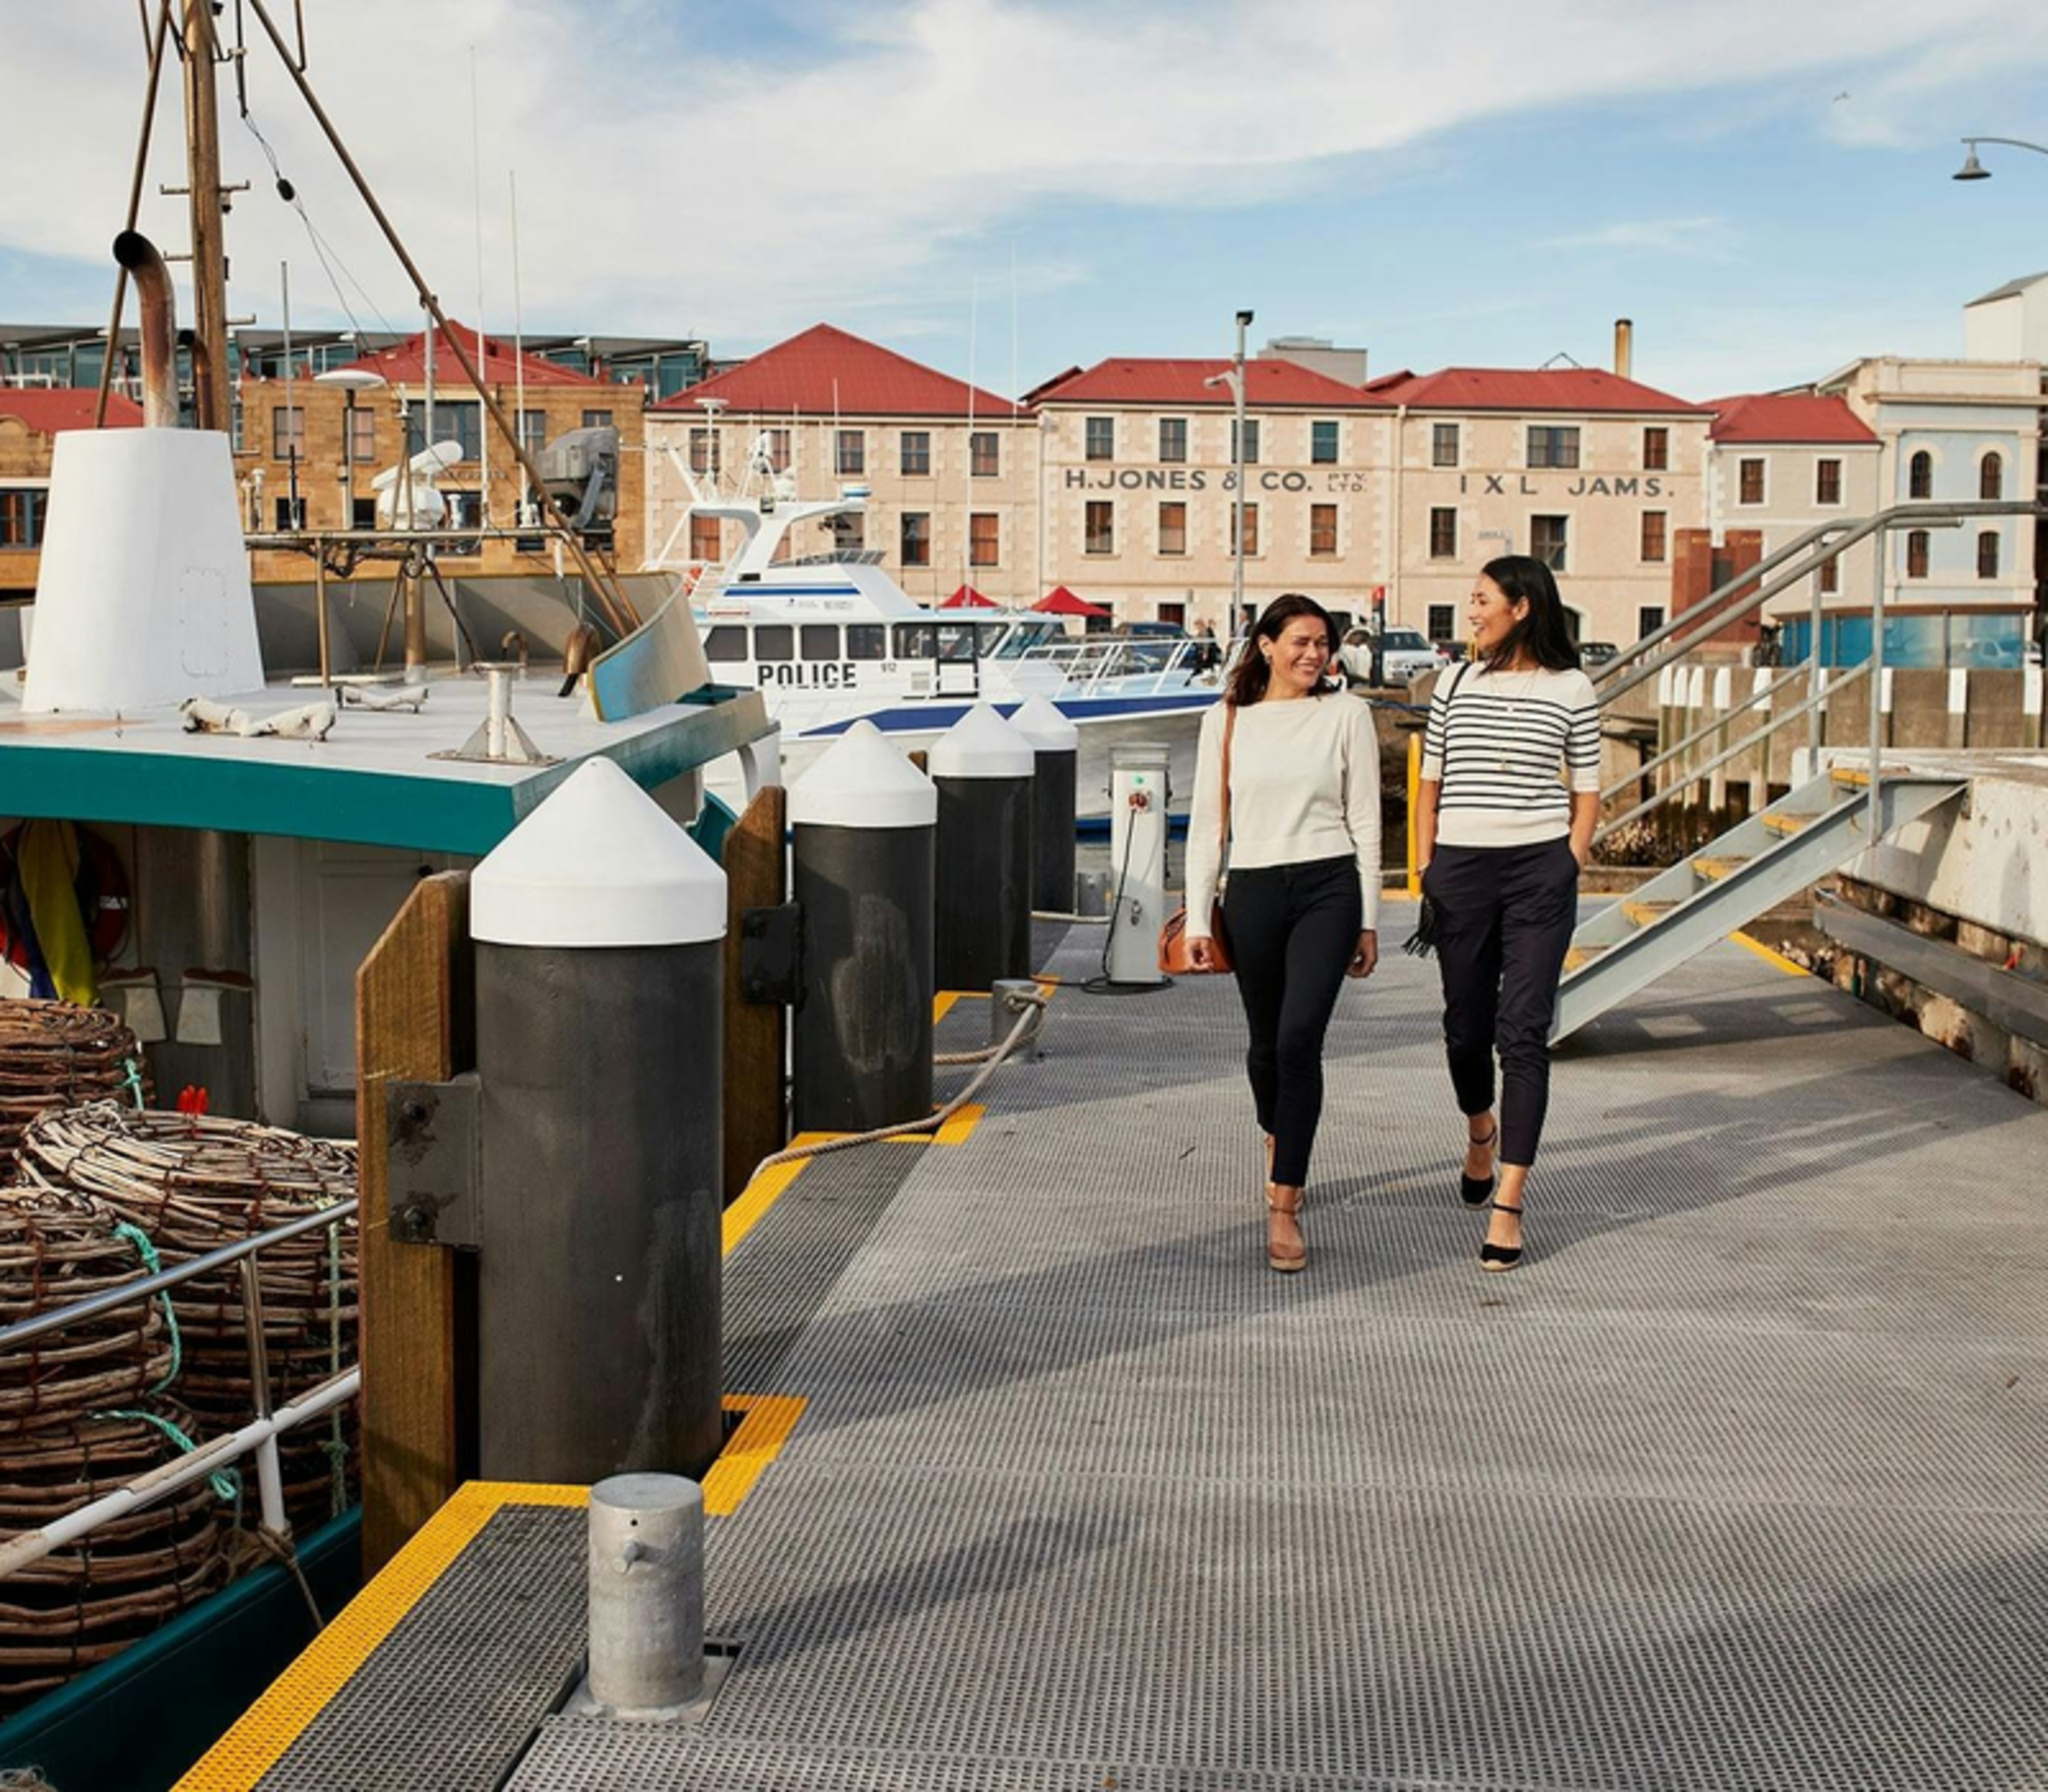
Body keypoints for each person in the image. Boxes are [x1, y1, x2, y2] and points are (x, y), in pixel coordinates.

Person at [1185, 593, 1381, 1274]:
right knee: (1266, 1049)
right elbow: (1209, 824)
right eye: (1300, 641)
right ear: (1266, 645)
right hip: (1256, 891)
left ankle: (1284, 1204)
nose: (1313, 654)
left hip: (1329, 886)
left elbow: (1366, 823)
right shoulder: (1228, 720)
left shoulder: (1347, 714)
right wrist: (1200, 917)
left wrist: (1369, 919)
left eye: (1323, 643)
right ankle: (1279, 1132)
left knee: (1300, 1041)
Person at [1414, 556, 1600, 1272]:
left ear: (1521, 606)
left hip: (1538, 874)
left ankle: (1510, 1205)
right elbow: (1431, 781)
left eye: (1481, 600)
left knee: (1523, 1033)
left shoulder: (1572, 688)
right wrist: (1429, 865)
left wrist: (1571, 858)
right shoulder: (1455, 683)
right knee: (1466, 1028)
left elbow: (1586, 787)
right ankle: (1479, 1132)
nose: (1473, 612)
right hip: (1460, 870)